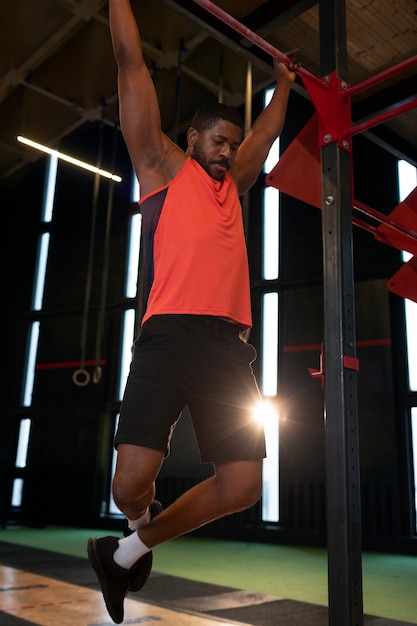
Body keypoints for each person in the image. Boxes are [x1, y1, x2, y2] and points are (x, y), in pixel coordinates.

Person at [88, 1, 297, 623]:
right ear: (192, 138)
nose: (229, 151)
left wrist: (284, 81)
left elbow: (265, 133)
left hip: (229, 348)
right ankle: (136, 521)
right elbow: (131, 64)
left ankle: (125, 551)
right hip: (166, 339)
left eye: (234, 144)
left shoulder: (234, 187)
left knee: (242, 486)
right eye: (218, 140)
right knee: (129, 485)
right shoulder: (160, 169)